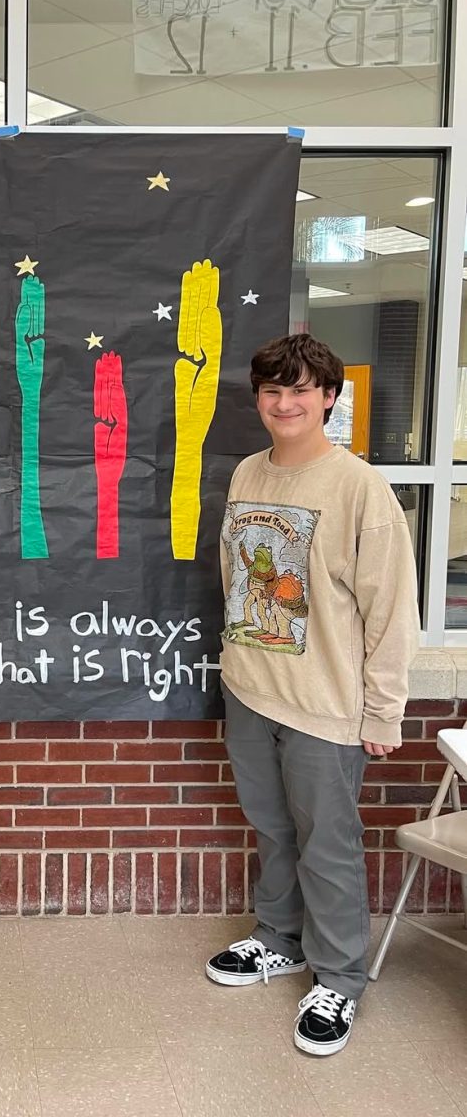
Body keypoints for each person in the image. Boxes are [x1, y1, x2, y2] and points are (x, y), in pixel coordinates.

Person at [206, 333, 419, 1057]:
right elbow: (236, 576)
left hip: (325, 704)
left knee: (327, 845)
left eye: (301, 390)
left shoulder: (360, 488)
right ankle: (279, 940)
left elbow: (391, 608)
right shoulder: (247, 474)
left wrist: (383, 709)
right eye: (273, 390)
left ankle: (340, 979)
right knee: (273, 830)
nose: (285, 403)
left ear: (328, 397)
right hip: (250, 689)